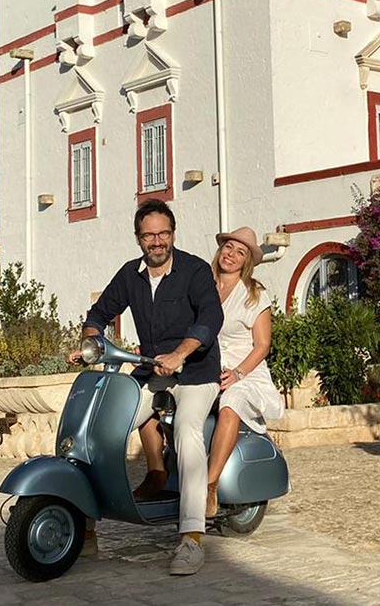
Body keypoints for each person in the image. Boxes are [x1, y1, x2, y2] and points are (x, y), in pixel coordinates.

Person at [74, 199, 223, 577]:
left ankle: (191, 537)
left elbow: (210, 317)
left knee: (188, 433)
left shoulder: (194, 271)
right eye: (148, 236)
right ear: (138, 238)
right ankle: (85, 527)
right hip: (152, 370)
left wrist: (181, 353)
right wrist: (90, 342)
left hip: (196, 373)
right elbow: (99, 313)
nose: (157, 242)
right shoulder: (130, 275)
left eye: (163, 234)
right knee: (103, 426)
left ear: (173, 234)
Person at [205, 227, 285, 517]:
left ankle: (210, 486)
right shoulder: (204, 285)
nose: (231, 255)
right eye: (228, 247)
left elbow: (262, 345)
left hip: (246, 373)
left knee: (231, 404)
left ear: (247, 261)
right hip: (208, 367)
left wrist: (237, 374)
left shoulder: (254, 294)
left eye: (240, 252)